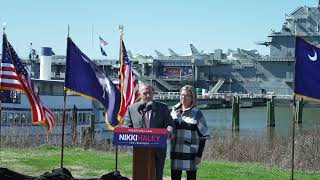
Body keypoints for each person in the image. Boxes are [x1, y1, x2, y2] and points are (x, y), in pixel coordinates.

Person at [124, 83, 173, 180]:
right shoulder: (132, 108)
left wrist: (169, 132)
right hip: (139, 148)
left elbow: (170, 124)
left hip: (158, 148)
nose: (148, 96)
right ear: (139, 94)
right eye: (145, 93)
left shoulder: (163, 108)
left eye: (150, 93)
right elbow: (127, 125)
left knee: (157, 174)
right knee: (140, 172)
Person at [170, 85, 210, 180]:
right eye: (182, 95)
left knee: (191, 177)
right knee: (175, 177)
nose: (183, 97)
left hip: (191, 153)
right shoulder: (173, 111)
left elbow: (203, 136)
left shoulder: (197, 113)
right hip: (176, 151)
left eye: (187, 95)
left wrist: (199, 155)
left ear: (192, 98)